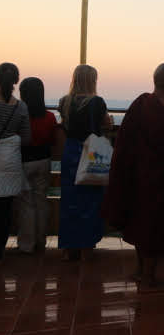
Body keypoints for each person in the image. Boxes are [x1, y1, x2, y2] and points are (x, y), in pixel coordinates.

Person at [103, 63, 164, 292]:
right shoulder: (161, 108)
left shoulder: (142, 104)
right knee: (152, 228)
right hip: (154, 177)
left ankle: (140, 270)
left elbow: (124, 142)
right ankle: (148, 278)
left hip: (140, 174)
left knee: (141, 224)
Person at [58, 65, 111, 261]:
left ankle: (68, 248)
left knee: (69, 202)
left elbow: (65, 125)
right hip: (91, 154)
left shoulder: (64, 101)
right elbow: (106, 124)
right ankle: (86, 247)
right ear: (92, 80)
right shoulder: (97, 102)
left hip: (70, 152)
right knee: (90, 201)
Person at [17, 77, 57, 253]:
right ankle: (41, 241)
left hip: (24, 161)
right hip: (44, 161)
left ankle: (27, 244)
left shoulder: (20, 115)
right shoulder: (49, 117)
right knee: (42, 201)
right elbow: (53, 139)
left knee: (27, 203)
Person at [0, 63, 31, 259]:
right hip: (9, 162)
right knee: (4, 210)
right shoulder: (21, 107)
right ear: (16, 81)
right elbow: (27, 138)